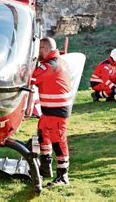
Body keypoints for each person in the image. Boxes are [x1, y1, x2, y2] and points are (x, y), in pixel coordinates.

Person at [31, 37, 72, 186]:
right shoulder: (58, 62)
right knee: (43, 134)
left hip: (56, 111)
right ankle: (45, 166)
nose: (38, 52)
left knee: (58, 142)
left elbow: (30, 78)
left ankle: (63, 176)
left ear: (45, 49)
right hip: (50, 110)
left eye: (39, 49)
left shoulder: (50, 65)